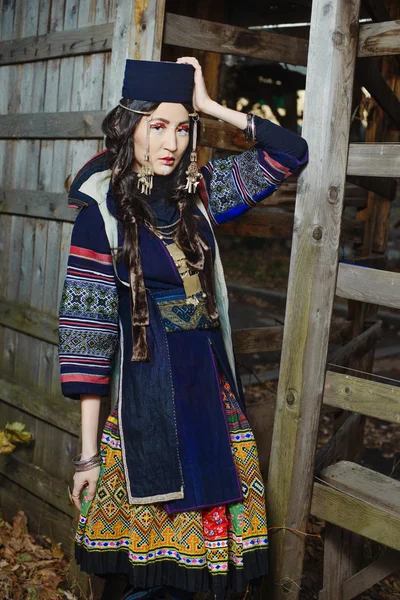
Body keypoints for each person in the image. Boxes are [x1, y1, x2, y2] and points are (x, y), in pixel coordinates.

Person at [59, 56, 308, 600]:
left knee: (204, 576)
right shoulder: (100, 211)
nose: (171, 141)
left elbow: (291, 153)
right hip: (147, 396)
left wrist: (212, 107)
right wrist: (88, 456)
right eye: (157, 125)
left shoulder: (199, 195)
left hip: (210, 397)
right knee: (147, 576)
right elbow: (87, 333)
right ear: (132, 126)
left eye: (182, 126)